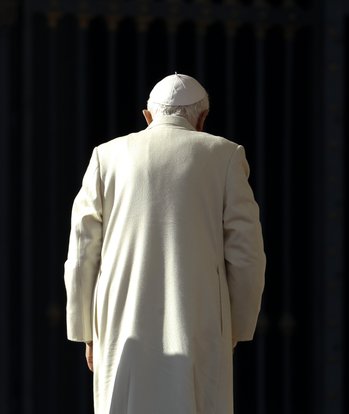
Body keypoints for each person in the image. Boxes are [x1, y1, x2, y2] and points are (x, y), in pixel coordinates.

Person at [64, 73, 266, 413]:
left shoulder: (106, 156)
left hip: (120, 322)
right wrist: (235, 327)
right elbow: (247, 255)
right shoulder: (225, 155)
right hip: (197, 321)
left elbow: (82, 252)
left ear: (148, 116)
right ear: (202, 119)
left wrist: (86, 331)